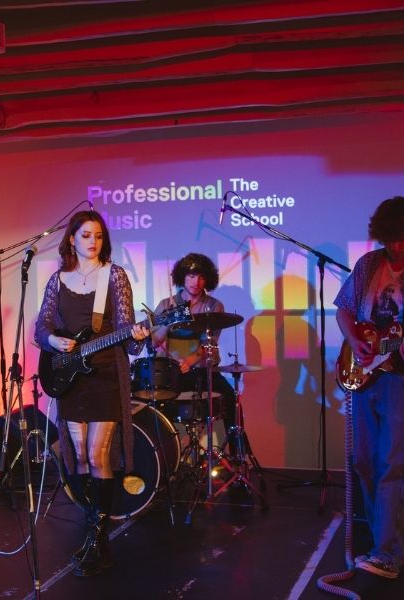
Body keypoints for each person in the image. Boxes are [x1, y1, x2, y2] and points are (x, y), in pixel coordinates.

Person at [334, 196, 404, 579]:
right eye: (389, 239)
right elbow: (344, 309)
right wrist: (354, 342)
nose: (396, 247)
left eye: (401, 239)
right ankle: (397, 545)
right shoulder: (368, 265)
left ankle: (385, 552)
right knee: (365, 462)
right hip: (367, 377)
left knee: (394, 467)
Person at [34, 210, 149, 577]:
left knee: (99, 455)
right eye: (86, 235)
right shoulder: (57, 280)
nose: (92, 242)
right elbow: (42, 327)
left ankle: (98, 537)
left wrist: (137, 336)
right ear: (72, 239)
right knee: (80, 456)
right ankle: (93, 528)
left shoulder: (113, 276)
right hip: (71, 379)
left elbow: (127, 329)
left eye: (98, 236)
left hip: (104, 379)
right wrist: (53, 340)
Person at [150, 253, 237, 448]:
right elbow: (154, 342)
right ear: (182, 277)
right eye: (190, 276)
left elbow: (210, 342)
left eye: (201, 277)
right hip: (171, 373)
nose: (195, 282)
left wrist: (189, 361)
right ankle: (163, 454)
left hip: (201, 371)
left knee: (230, 398)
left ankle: (238, 452)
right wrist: (169, 321)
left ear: (208, 279)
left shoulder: (214, 306)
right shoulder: (166, 304)